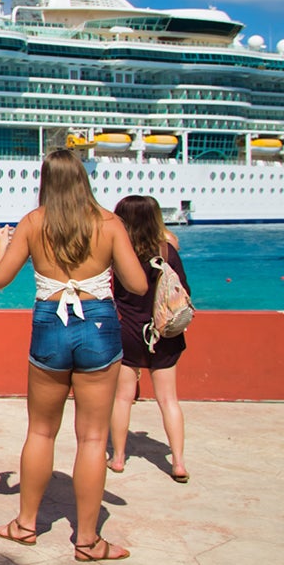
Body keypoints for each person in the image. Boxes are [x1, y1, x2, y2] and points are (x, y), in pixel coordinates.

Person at [0, 148, 148, 562]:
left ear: (46, 181)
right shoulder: (108, 224)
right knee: (93, 437)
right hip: (97, 324)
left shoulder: (32, 223)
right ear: (83, 179)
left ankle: (25, 524)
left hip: (49, 323)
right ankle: (88, 541)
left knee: (41, 431)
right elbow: (138, 285)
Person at [108, 195, 190, 482]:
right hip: (164, 331)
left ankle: (118, 458)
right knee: (168, 400)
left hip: (128, 331)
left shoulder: (119, 254)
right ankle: (178, 463)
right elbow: (183, 290)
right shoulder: (168, 252)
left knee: (122, 398)